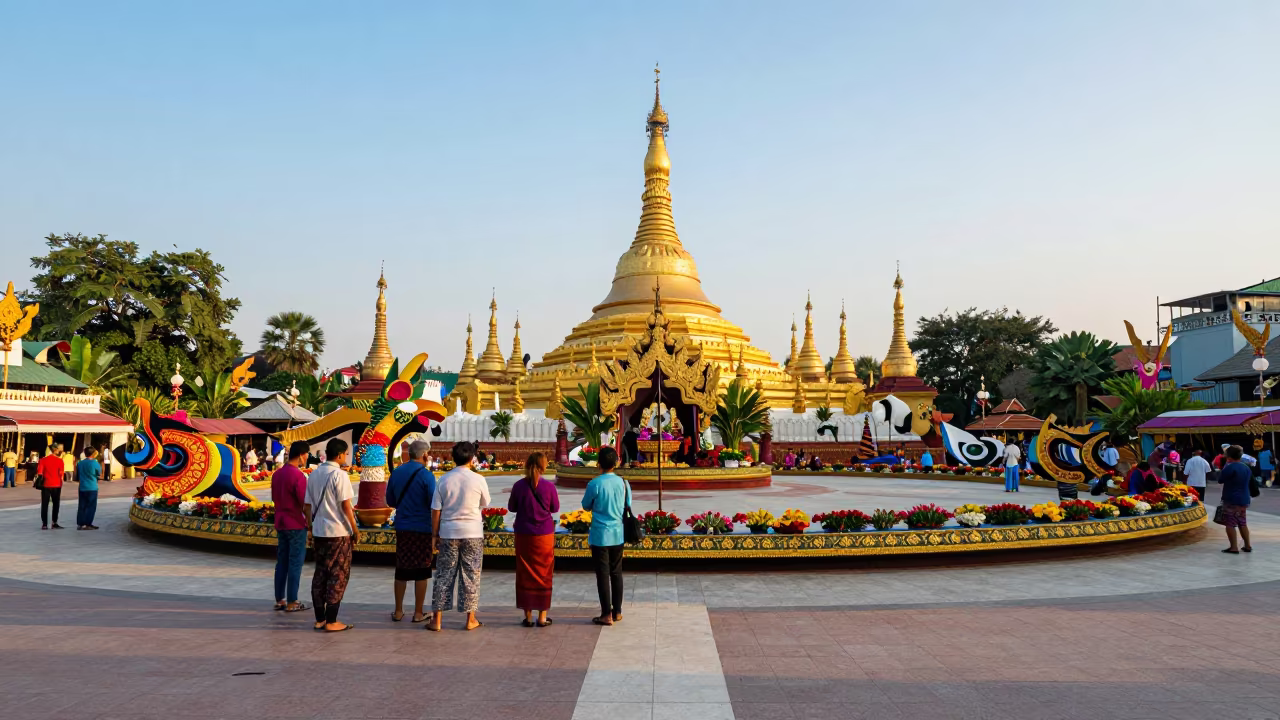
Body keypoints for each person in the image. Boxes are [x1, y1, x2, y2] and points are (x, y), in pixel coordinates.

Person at [429, 441, 490, 632]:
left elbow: (436, 510)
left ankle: (437, 620)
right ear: (472, 458)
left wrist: (434, 534)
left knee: (444, 575)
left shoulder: (444, 479)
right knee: (471, 575)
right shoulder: (478, 479)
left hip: (448, 532)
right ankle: (470, 619)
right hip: (472, 532)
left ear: (453, 458)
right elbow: (485, 502)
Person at [305, 438, 359, 632]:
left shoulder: (313, 474)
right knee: (338, 574)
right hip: (338, 532)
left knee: (320, 573)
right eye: (345, 454)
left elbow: (307, 506)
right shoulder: (340, 475)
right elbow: (346, 505)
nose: (346, 457)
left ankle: (319, 618)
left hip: (320, 531)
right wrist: (355, 529)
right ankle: (331, 620)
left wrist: (310, 528)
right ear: (339, 455)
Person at [386, 439, 436, 624]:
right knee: (422, 570)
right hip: (422, 528)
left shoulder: (396, 473)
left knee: (402, 569)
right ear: (424, 455)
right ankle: (418, 612)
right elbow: (434, 503)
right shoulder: (427, 476)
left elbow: (390, 501)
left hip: (403, 527)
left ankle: (398, 611)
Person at [508, 452, 560, 628]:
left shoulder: (518, 486)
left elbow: (511, 507)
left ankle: (528, 617)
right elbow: (555, 508)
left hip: (524, 533)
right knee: (544, 573)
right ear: (543, 466)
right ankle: (542, 616)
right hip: (544, 535)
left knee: (525, 572)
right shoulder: (549, 487)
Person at [582, 446, 629, 627]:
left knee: (603, 574)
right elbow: (628, 503)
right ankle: (617, 611)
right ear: (616, 463)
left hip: (600, 534)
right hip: (618, 533)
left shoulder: (595, 484)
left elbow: (586, 506)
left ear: (599, 464)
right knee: (616, 572)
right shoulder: (624, 483)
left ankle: (606, 613)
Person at [272, 441, 311, 613]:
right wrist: (310, 523)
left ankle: (280, 599)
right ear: (302, 454)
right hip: (295, 523)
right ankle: (292, 600)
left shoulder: (277, 474)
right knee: (295, 562)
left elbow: (274, 498)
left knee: (282, 561)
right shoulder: (298, 476)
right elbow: (305, 503)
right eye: (307, 454)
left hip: (281, 522)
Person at [1218, 445, 1253, 554]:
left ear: (1228, 455)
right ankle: (1247, 545)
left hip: (1231, 498)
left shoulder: (1230, 467)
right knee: (1242, 522)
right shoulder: (1246, 467)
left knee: (1230, 523)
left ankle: (1234, 547)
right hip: (1244, 498)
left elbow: (1220, 480)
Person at [38, 445, 66, 529]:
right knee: (56, 504)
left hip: (46, 484)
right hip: (57, 484)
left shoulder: (43, 460)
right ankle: (54, 522)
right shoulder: (60, 460)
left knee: (45, 504)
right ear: (56, 450)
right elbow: (61, 473)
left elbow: (40, 472)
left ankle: (44, 524)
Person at [74, 447, 102, 530]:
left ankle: (80, 523)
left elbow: (78, 474)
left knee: (82, 505)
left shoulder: (80, 463)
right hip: (92, 487)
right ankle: (87, 523)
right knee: (91, 506)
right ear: (93, 453)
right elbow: (99, 473)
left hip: (82, 486)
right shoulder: (95, 463)